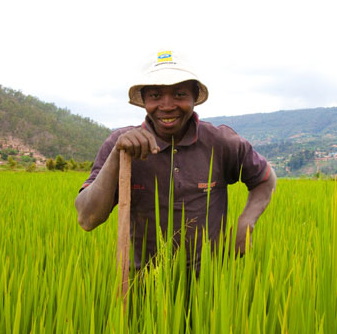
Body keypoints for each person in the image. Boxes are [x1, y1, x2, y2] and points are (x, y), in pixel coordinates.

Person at [75, 50, 277, 274]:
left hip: (210, 290)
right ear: (143, 100)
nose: (167, 105)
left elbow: (265, 179)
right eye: (155, 96)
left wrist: (246, 224)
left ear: (194, 96)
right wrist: (116, 157)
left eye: (179, 94)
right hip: (142, 288)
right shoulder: (120, 145)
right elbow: (87, 218)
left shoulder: (220, 142)